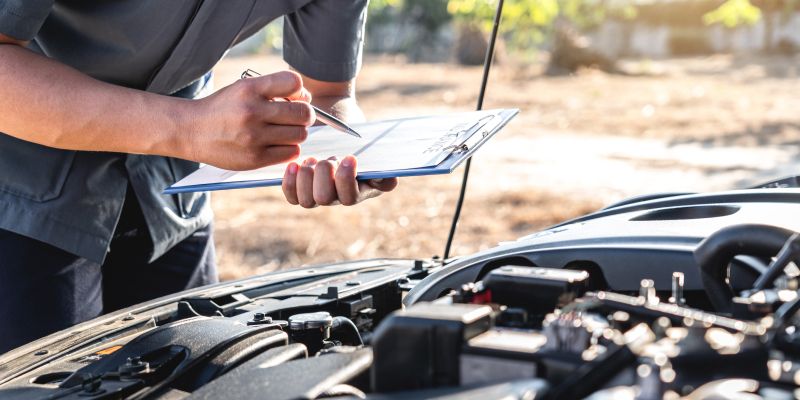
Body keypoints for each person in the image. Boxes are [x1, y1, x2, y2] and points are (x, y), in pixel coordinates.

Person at [0, 0, 398, 354]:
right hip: (18, 183)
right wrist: (189, 129)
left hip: (168, 191)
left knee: (199, 368)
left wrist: (337, 150)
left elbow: (330, 94)